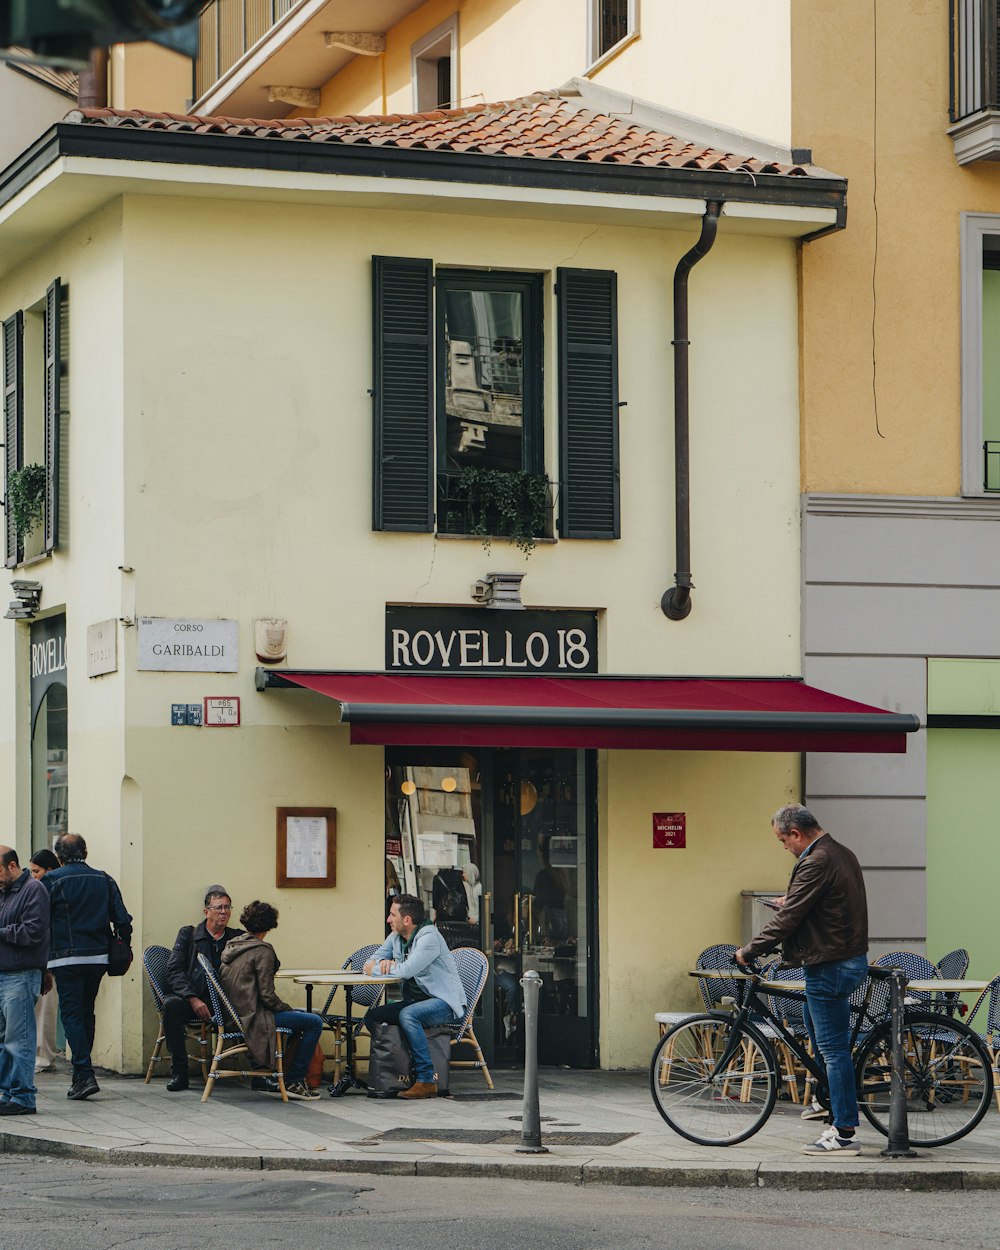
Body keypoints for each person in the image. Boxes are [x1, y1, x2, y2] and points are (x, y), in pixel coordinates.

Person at [736, 804, 869, 1157]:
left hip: (830, 965)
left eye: (783, 840)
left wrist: (749, 950)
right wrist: (791, 901)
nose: (784, 847)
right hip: (842, 958)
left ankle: (844, 1132)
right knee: (817, 1031)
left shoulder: (816, 860)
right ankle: (828, 1101)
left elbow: (790, 919)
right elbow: (820, 905)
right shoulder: (840, 853)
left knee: (832, 1048)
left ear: (796, 833)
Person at [42, 833, 132, 1101]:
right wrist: (122, 945)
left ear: (58, 857)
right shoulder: (104, 879)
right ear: (86, 852)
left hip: (65, 958)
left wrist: (40, 960)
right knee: (86, 1012)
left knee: (71, 1014)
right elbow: (123, 920)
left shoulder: (51, 880)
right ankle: (82, 1073)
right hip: (98, 957)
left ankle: (83, 1072)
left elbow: (41, 921)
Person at [364, 893, 466, 1100]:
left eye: (392, 915)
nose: (388, 919)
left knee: (408, 1015)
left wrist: (389, 967)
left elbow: (405, 971)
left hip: (444, 1004)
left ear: (407, 920)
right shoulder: (396, 937)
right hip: (418, 1002)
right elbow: (368, 963)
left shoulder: (429, 938)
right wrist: (384, 966)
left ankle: (426, 1080)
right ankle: (398, 1070)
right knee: (373, 1017)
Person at [219, 900, 324, 1101]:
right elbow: (267, 996)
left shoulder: (234, 945)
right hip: (253, 1017)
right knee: (313, 1022)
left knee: (300, 1018)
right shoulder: (263, 951)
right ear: (270, 925)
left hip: (232, 1014)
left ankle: (270, 1074)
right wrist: (287, 1008)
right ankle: (293, 1079)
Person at [160, 885, 242, 1092]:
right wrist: (192, 998)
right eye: (218, 908)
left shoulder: (237, 937)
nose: (224, 912)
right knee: (171, 1005)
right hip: (194, 999)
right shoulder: (189, 934)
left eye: (227, 907)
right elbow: (174, 971)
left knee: (256, 1007)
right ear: (206, 911)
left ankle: (262, 1071)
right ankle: (180, 1072)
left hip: (225, 1002)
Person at [0, 846, 50, 1116]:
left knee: (18, 1039)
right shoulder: (4, 892)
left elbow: (33, 932)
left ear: (11, 866)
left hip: (19, 975)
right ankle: (8, 1092)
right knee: (3, 1040)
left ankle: (23, 1097)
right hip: (4, 974)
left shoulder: (34, 890)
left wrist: (1, 932)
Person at [28, 849, 60, 1073]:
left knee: (46, 1009)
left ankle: (44, 1056)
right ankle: (41, 1055)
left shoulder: (50, 891)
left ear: (49, 870)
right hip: (45, 958)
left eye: (36, 871)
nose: (33, 876)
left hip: (51, 958)